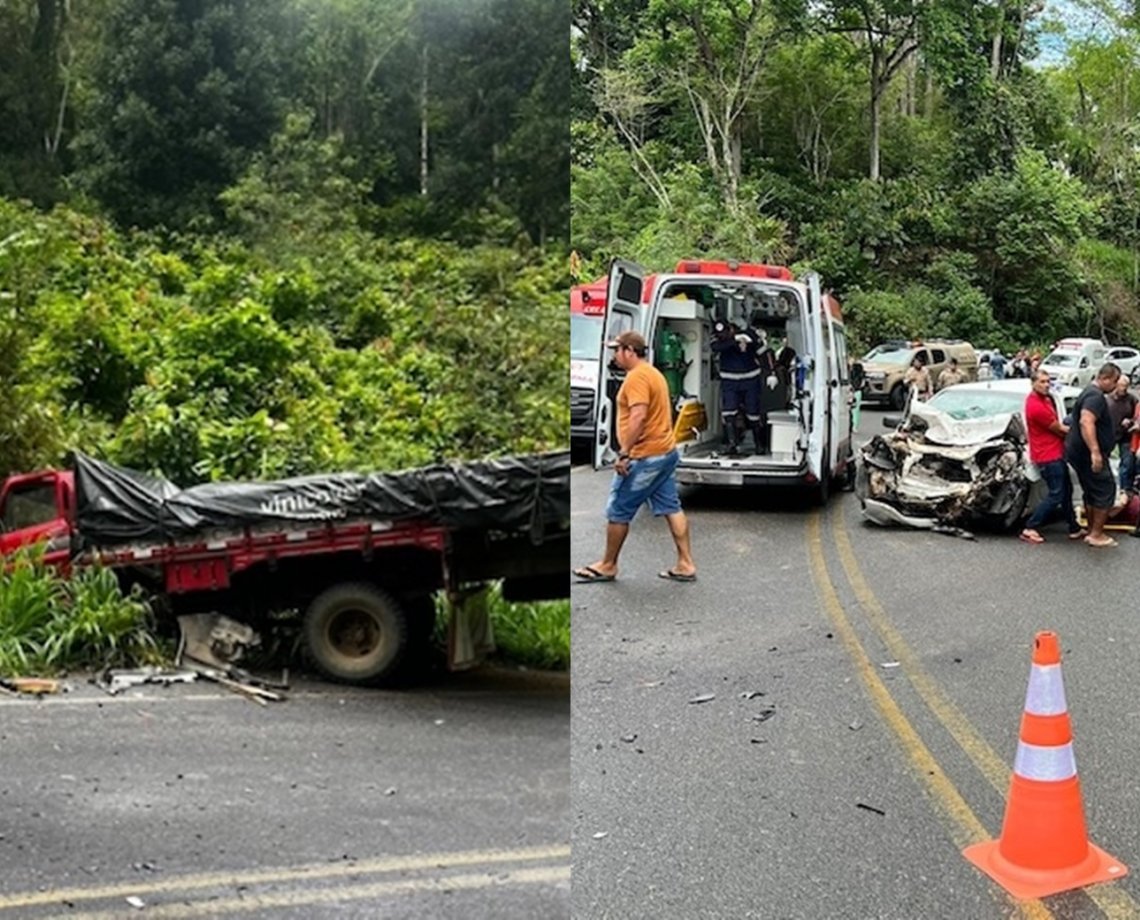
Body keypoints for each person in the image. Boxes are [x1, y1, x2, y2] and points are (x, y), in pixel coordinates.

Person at [574, 330, 697, 582]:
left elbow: (638, 416)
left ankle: (608, 564)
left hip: (645, 457)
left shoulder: (637, 378)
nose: (614, 356)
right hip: (665, 452)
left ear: (629, 351)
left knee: (618, 509)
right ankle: (685, 563)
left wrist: (624, 453)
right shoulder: (654, 374)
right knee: (671, 507)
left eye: (616, 351)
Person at [1020, 369, 1084, 544]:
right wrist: (1082, 432)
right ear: (1033, 383)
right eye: (1042, 381)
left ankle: (1074, 527)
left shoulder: (1046, 399)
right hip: (1047, 455)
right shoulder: (1035, 405)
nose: (1046, 385)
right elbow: (1059, 429)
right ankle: (1031, 526)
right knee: (1056, 494)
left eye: (1048, 381)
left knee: (1066, 491)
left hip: (1056, 452)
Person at [1064, 362, 1123, 548]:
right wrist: (1095, 452)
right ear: (1105, 379)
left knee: (1091, 491)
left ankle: (1091, 529)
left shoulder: (1089, 392)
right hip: (1087, 453)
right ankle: (1096, 534)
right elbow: (1086, 422)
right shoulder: (1095, 396)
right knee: (1105, 490)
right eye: (1114, 381)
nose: (1115, 386)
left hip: (1079, 452)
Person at [711, 319, 763, 455]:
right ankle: (732, 444)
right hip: (730, 380)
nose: (722, 336)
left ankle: (759, 444)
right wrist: (734, 341)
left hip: (750, 379)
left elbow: (761, 348)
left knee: (753, 413)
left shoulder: (749, 334)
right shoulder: (720, 340)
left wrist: (772, 372)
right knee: (729, 412)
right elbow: (715, 347)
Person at [1107, 375, 1138, 492]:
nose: (1123, 389)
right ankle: (1108, 487)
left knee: (1127, 463)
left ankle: (1124, 488)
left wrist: (1130, 421)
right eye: (1121, 385)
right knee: (1104, 462)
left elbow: (1137, 416)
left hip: (1126, 435)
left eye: (1125, 386)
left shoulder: (1132, 399)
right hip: (1110, 435)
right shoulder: (1108, 399)